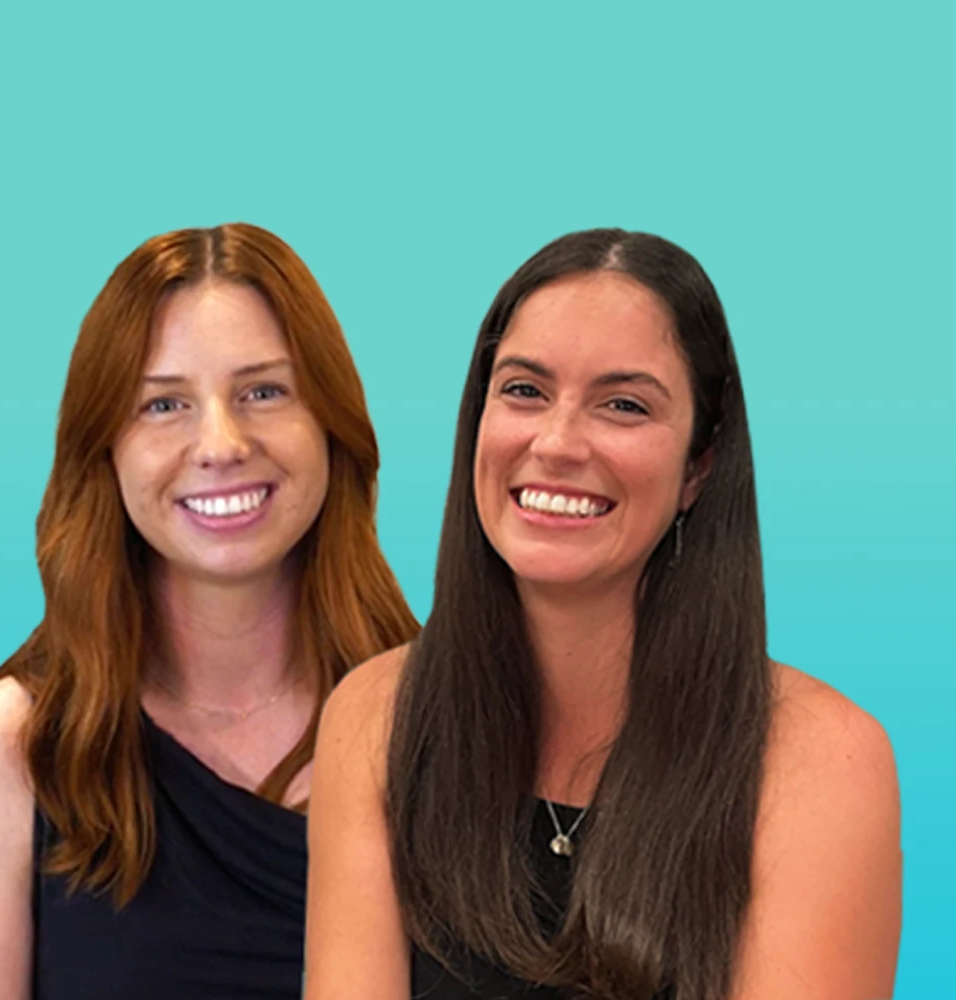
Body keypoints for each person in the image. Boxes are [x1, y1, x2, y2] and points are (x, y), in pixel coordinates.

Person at [304, 229, 902, 1000]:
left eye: (623, 405)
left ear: (699, 466)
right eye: (524, 390)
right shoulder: (374, 718)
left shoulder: (822, 761)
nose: (556, 442)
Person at [0, 223, 419, 1000]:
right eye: (163, 404)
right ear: (104, 450)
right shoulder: (11, 750)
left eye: (263, 391)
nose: (220, 443)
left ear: (332, 423)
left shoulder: (442, 724)